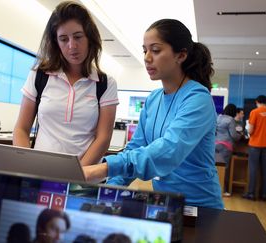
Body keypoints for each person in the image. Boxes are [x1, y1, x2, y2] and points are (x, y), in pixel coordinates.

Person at [83, 19, 224, 209]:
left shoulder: (198, 98)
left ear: (181, 55)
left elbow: (168, 151)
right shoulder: (153, 99)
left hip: (199, 207)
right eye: (145, 50)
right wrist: (109, 189)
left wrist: (104, 168)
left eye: (155, 50)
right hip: (165, 203)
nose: (147, 57)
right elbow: (137, 146)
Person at [13, 1, 118, 166]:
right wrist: (26, 165)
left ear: (89, 37)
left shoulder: (105, 84)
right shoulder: (39, 76)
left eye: (78, 36)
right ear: (56, 43)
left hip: (84, 177)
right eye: (63, 39)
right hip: (41, 171)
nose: (72, 46)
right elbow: (21, 129)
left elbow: (103, 139)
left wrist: (76, 175)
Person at [243, 95, 266, 201]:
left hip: (255, 144)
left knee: (253, 169)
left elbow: (251, 130)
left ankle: (251, 193)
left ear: (257, 102)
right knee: (265, 170)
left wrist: (248, 131)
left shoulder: (255, 112)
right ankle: (264, 194)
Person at [215, 104, 241, 197]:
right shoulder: (231, 120)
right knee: (224, 168)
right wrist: (240, 135)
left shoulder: (218, 117)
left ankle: (214, 189)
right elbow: (234, 135)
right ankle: (223, 190)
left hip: (216, 144)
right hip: (226, 146)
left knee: (215, 168)